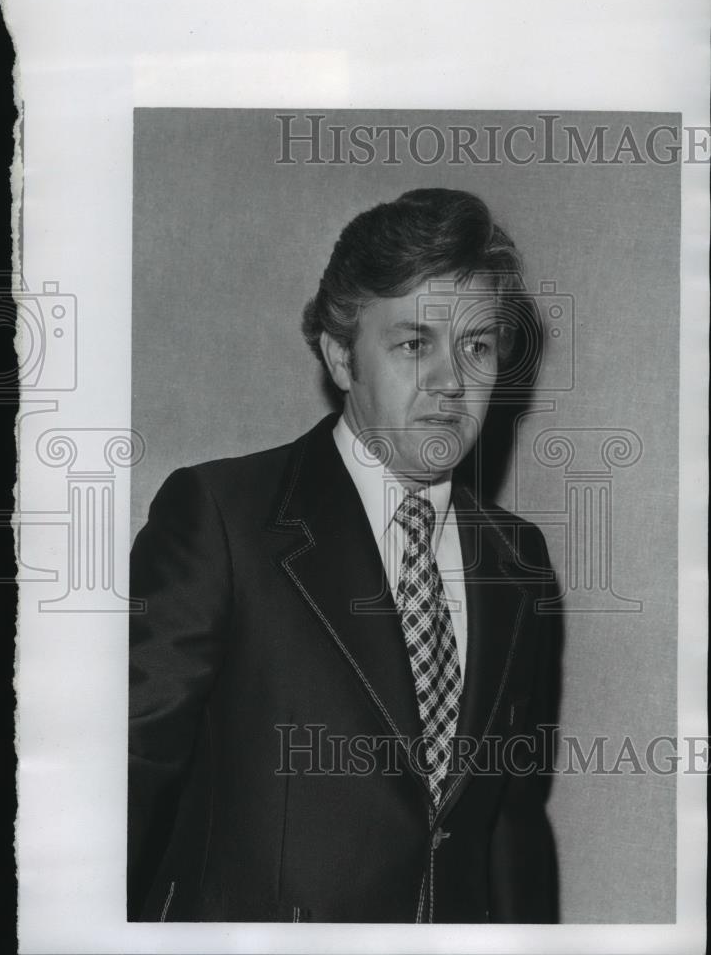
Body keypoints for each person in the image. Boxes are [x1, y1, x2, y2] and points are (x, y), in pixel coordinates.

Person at [128, 187, 561, 924]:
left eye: (478, 346)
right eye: (414, 343)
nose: (451, 382)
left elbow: (508, 825)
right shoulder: (223, 518)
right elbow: (126, 779)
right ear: (339, 356)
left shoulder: (518, 559)